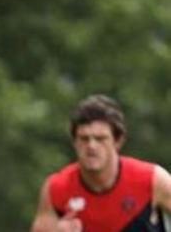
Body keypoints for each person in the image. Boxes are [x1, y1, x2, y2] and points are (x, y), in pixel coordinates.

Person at [30, 94, 171, 232]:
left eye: (100, 139)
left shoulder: (152, 180)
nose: (91, 146)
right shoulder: (56, 189)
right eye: (84, 139)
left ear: (118, 141)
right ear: (74, 142)